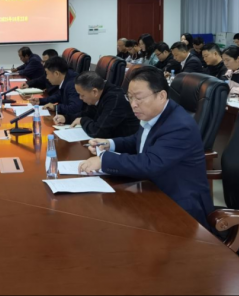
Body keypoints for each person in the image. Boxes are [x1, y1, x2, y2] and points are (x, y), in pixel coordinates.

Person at [78, 66, 214, 230]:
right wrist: (109, 143)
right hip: (152, 191)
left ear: (161, 96)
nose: (133, 104)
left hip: (180, 208)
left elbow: (151, 163)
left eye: (139, 98)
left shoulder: (179, 126)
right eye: (130, 98)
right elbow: (138, 140)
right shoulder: (155, 114)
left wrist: (103, 160)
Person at [54, 71, 139, 138]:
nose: (80, 98)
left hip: (124, 148)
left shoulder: (115, 99)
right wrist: (66, 118)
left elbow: (98, 132)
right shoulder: (100, 93)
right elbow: (88, 114)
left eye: (82, 95)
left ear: (94, 92)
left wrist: (82, 121)